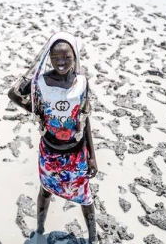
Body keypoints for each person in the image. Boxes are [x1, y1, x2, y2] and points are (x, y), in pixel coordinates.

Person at [8, 32, 99, 243]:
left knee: (85, 198)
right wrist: (36, 66)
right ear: (48, 58)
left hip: (76, 153)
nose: (61, 62)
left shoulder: (82, 83)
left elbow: (85, 120)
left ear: (75, 56)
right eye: (55, 57)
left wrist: (92, 156)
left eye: (66, 57)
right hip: (49, 152)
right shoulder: (40, 82)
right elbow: (14, 94)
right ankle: (39, 230)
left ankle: (93, 238)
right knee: (45, 192)